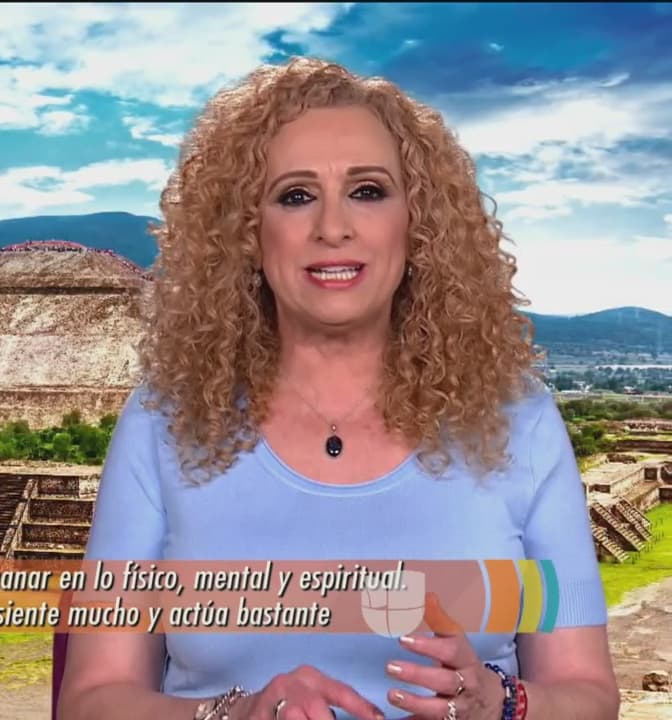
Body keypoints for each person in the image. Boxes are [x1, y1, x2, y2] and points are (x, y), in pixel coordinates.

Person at [56, 57, 620, 720]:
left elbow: (588, 695)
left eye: (368, 191)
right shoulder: (163, 423)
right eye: (295, 196)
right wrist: (233, 715)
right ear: (246, 232)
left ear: (418, 223)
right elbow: (93, 698)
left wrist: (498, 702)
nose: (332, 227)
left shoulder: (518, 422)